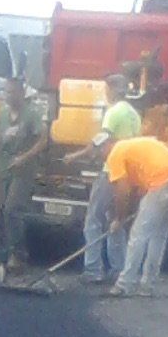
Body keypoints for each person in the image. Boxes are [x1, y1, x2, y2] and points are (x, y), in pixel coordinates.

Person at [63, 74, 141, 284]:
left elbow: (102, 138)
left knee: (93, 220)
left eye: (107, 89)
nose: (105, 93)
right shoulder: (134, 114)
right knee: (115, 220)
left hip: (112, 170)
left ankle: (93, 269)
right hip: (129, 173)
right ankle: (119, 269)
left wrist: (76, 155)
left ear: (113, 90)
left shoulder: (114, 112)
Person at [104, 136, 168, 296]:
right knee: (159, 235)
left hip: (162, 184)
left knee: (139, 236)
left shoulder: (115, 153)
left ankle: (124, 284)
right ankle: (148, 285)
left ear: (107, 146)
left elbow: (122, 190)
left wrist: (119, 219)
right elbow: (139, 184)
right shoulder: (136, 145)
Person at [0, 77, 49, 286]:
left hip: (22, 171)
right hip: (2, 169)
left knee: (12, 209)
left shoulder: (32, 114)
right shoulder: (1, 116)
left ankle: (18, 255)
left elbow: (43, 140)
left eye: (12, 92)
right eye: (6, 92)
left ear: (20, 93)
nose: (8, 96)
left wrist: (24, 157)